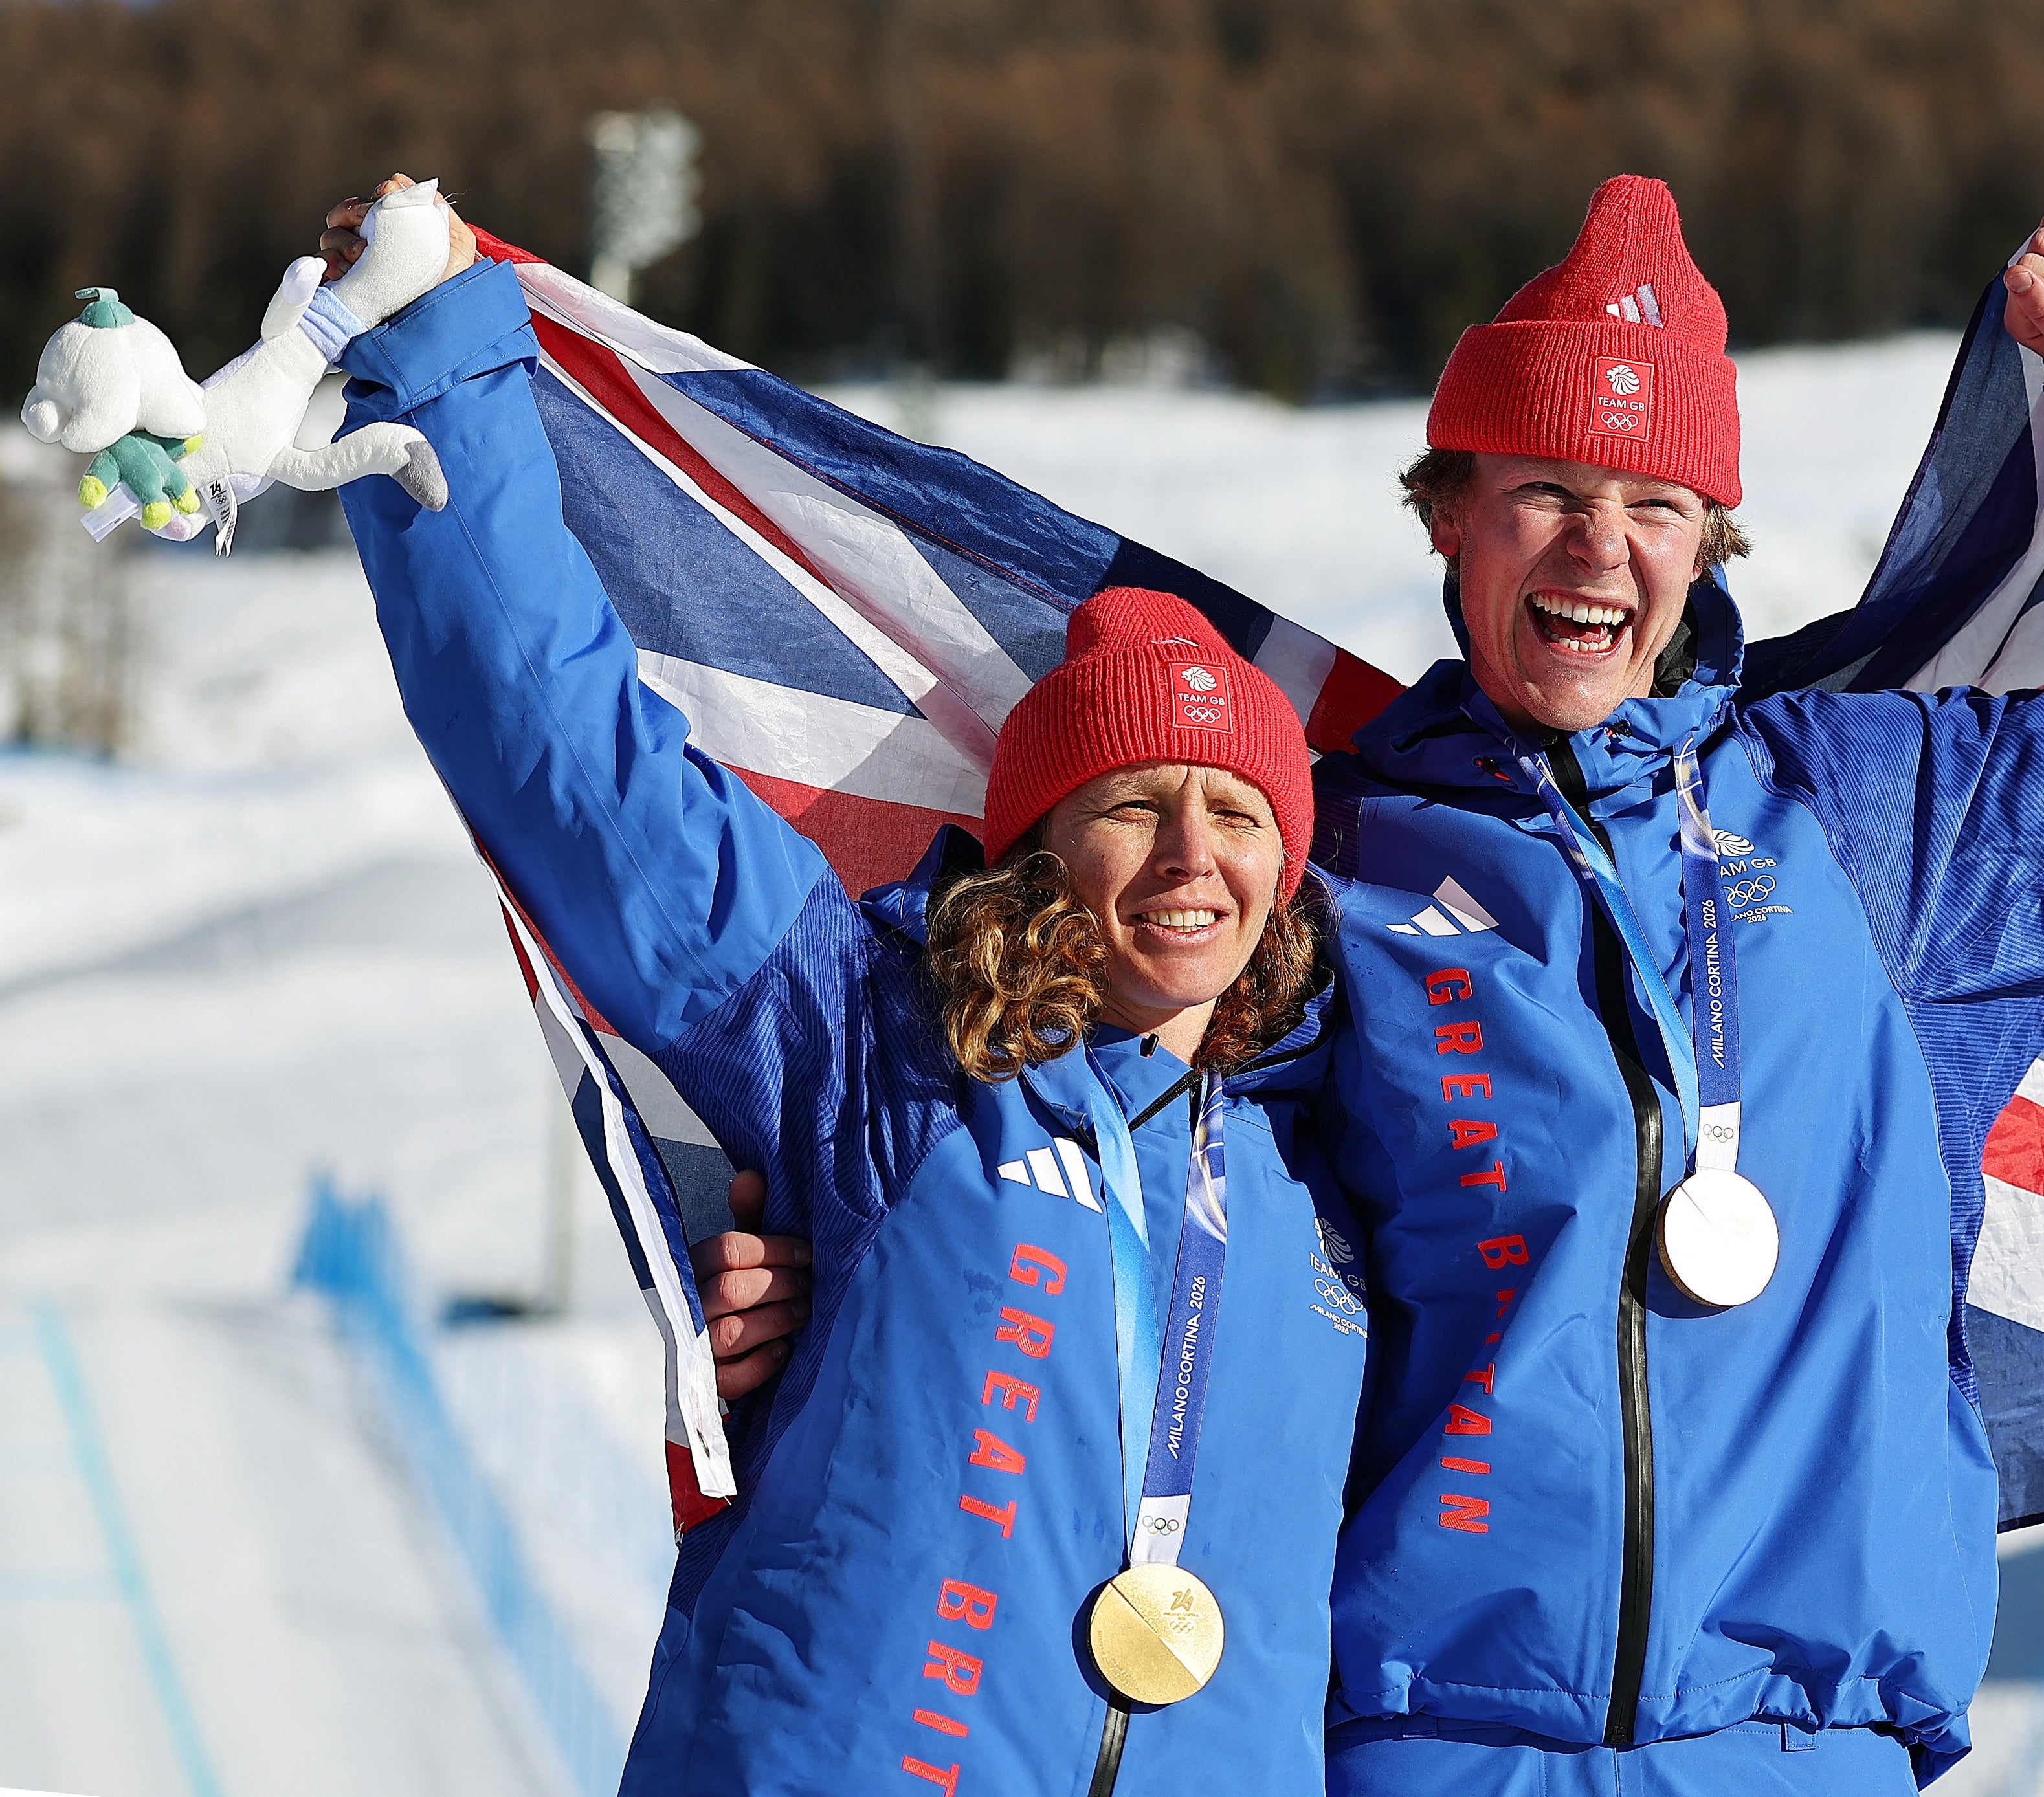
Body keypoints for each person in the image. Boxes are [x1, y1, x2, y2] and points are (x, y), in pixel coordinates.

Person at [318, 182, 1371, 1792]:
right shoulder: (875, 1039)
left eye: (1239, 813)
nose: (1192, 854)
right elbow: (576, 773)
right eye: (1131, 805)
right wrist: (444, 350)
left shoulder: (1335, 1167)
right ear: (1032, 849)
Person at [1299, 179, 2044, 1794]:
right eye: (1545, 489)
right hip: (1430, 1744)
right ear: (1448, 509)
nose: (1597, 549)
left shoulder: (1868, 817)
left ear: (1711, 540)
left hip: (1794, 1746)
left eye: (1653, 503)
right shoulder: (1318, 860)